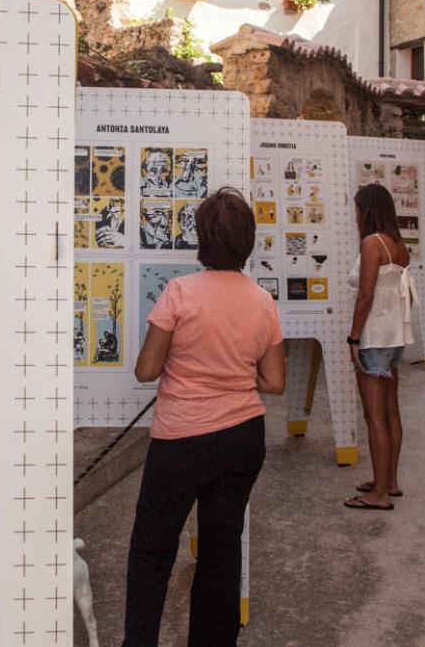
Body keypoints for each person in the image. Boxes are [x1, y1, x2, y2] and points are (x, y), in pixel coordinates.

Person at [124, 187, 284, 647]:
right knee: (221, 549)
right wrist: (229, 376)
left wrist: (191, 369)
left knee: (152, 550)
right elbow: (273, 381)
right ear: (247, 242)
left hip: (181, 440)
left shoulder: (180, 292)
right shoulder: (261, 301)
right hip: (243, 437)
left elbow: (146, 369)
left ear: (202, 240)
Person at [344, 183, 417, 510]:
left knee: (374, 418)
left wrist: (354, 337)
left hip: (374, 337)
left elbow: (366, 295)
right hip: (396, 336)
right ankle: (389, 480)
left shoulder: (372, 244)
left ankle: (379, 495)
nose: (355, 214)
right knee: (391, 412)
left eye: (357, 208)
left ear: (367, 210)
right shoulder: (399, 246)